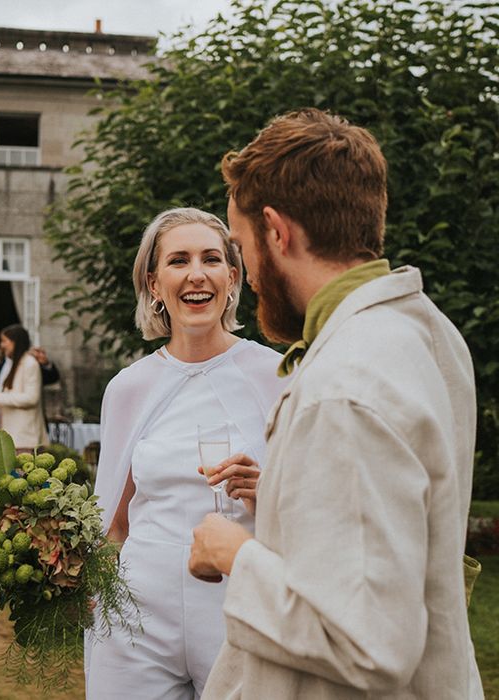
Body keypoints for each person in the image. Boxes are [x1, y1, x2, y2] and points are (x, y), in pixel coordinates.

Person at [189, 109, 484, 699]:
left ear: (277, 231)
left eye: (242, 248)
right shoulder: (429, 332)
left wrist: (234, 554)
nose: (245, 277)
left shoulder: (345, 385)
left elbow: (368, 641)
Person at [85, 208, 287, 699]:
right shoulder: (128, 388)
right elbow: (112, 520)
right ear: (154, 283)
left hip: (238, 608)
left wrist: (266, 491)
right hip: (136, 614)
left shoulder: (278, 376)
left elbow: (314, 513)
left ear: (232, 277)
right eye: (178, 261)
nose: (196, 274)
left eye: (211, 259)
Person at [0, 324, 48, 450]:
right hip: (11, 436)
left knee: (20, 470)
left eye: (5, 341)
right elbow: (11, 396)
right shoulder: (14, 364)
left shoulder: (30, 364)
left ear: (16, 342)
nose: (2, 345)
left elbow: (31, 398)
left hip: (24, 437)